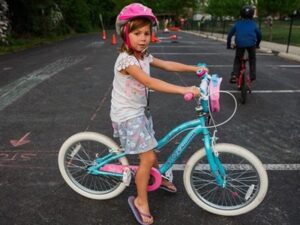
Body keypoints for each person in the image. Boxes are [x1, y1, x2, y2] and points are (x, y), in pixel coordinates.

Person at [111, 3, 205, 225]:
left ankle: (157, 177)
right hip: (127, 115)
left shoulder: (144, 55)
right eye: (137, 33)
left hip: (140, 111)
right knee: (148, 157)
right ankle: (141, 201)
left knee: (152, 147)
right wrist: (185, 89)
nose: (143, 38)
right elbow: (149, 81)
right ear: (125, 34)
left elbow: (168, 65)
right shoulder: (127, 61)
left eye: (146, 33)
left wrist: (195, 69)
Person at [227, 5, 262, 83]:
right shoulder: (253, 24)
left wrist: (228, 45)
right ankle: (252, 76)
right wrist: (258, 44)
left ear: (241, 14)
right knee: (252, 59)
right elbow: (259, 35)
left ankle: (235, 75)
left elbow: (230, 35)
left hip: (240, 44)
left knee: (238, 59)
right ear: (252, 14)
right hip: (251, 44)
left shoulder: (238, 23)